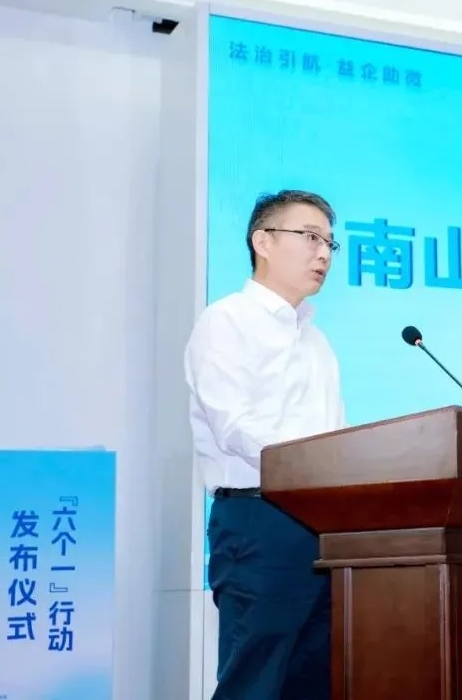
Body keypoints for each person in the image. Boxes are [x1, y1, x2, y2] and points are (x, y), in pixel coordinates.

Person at [184, 189, 346, 699]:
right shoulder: (226, 320)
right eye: (310, 237)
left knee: (316, 682)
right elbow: (234, 426)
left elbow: (337, 434)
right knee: (254, 682)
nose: (323, 253)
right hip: (260, 522)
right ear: (264, 242)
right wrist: (316, 463)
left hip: (328, 529)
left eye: (329, 243)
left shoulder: (317, 342)